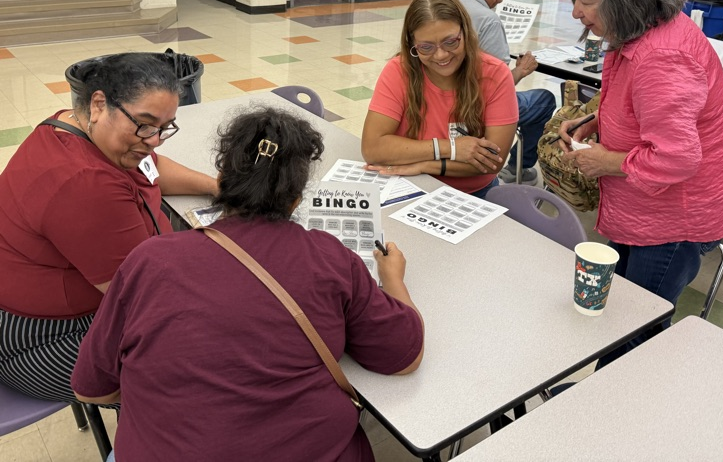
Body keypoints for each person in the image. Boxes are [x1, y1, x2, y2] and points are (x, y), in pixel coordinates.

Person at [72, 107, 424, 462]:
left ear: (222, 180)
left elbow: (93, 389)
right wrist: (393, 279)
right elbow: (404, 357)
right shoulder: (329, 258)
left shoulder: (148, 260)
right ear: (296, 200)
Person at [559, 0, 723, 359]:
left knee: (634, 332)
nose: (576, 13)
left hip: (672, 218)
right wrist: (595, 121)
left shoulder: (663, 55)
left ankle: (619, 409)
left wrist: (603, 160)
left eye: (585, 1)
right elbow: (638, 109)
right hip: (644, 207)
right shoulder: (640, 33)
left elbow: (676, 157)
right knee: (617, 314)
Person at [0, 53, 218, 403]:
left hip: (67, 307)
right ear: (99, 103)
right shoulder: (84, 183)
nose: (155, 140)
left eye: (165, 127)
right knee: (201, 372)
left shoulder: (78, 125)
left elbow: (151, 165)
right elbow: (145, 300)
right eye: (145, 124)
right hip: (43, 340)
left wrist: (218, 186)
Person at [361, 0, 518, 198]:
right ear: (412, 44)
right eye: (425, 47)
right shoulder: (399, 70)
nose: (441, 55)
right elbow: (373, 149)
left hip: (473, 193)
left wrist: (425, 165)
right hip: (411, 185)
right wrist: (451, 149)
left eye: (451, 41)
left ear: (465, 32)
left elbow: (491, 162)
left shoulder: (496, 74)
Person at [456, 0, 556, 184]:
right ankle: (515, 169)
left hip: (449, 103)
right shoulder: (488, 20)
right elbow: (496, 91)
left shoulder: (450, 5)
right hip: (475, 108)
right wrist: (521, 70)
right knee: (545, 99)